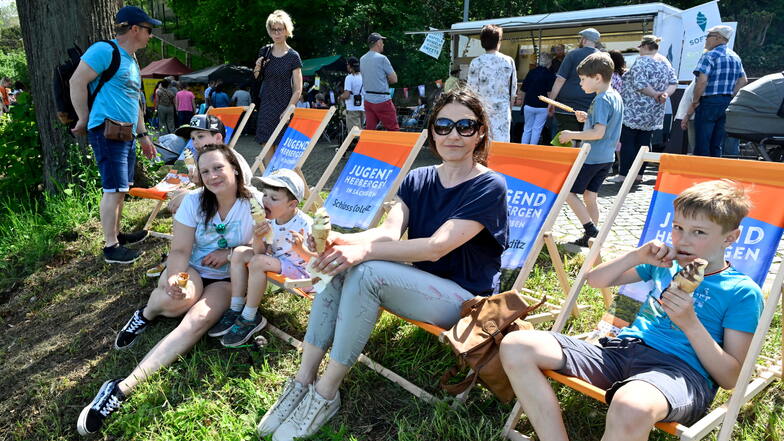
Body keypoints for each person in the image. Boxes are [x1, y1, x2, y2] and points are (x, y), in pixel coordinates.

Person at [255, 88, 508, 441]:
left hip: (465, 301)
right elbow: (388, 233)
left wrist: (362, 253)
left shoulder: (489, 185)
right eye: (444, 125)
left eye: (465, 126)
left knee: (367, 269)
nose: (453, 134)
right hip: (419, 285)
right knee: (344, 264)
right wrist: (341, 243)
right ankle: (302, 382)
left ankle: (326, 393)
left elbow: (437, 247)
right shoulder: (419, 178)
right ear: (432, 130)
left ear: (480, 131)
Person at [500, 179, 763, 441]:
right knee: (516, 344)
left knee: (630, 406)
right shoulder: (664, 264)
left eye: (699, 232)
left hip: (679, 373)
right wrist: (636, 256)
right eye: (678, 227)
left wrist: (690, 324)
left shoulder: (741, 291)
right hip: (620, 353)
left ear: (731, 237)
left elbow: (730, 377)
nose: (683, 240)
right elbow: (595, 281)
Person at [76, 143, 259, 436]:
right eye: (205, 171)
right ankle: (146, 314)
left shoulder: (256, 204)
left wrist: (234, 252)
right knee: (177, 300)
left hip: (229, 279)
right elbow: (181, 250)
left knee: (197, 320)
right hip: (195, 268)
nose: (212, 176)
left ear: (235, 169)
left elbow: (271, 245)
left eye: (218, 168)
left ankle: (120, 389)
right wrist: (175, 276)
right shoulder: (193, 202)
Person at [68, 6, 158, 264]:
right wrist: (83, 118)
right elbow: (77, 82)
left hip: (126, 133)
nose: (150, 35)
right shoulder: (104, 50)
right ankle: (110, 247)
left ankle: (117, 235)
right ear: (135, 29)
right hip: (107, 130)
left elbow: (134, 102)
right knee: (112, 188)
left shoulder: (131, 59)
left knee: (121, 188)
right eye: (149, 30)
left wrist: (143, 135)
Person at [210, 168, 313, 347]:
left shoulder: (304, 225)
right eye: (265, 195)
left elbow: (316, 260)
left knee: (257, 262)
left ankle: (250, 317)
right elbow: (259, 252)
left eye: (274, 198)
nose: (265, 201)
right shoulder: (268, 219)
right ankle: (236, 308)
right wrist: (257, 237)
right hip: (276, 261)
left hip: (303, 273)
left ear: (292, 204)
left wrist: (301, 248)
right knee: (240, 252)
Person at [557, 53, 623, 247]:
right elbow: (604, 124)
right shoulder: (614, 96)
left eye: (583, 79)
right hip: (607, 157)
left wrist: (571, 134)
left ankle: (591, 229)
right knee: (590, 196)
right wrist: (588, 117)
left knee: (568, 192)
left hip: (592, 157)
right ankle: (590, 238)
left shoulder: (601, 99)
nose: (580, 83)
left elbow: (598, 133)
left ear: (597, 78)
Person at [611, 35, 677, 184]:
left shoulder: (641, 62)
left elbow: (640, 84)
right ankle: (639, 174)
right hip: (654, 110)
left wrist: (654, 94)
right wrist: (664, 94)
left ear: (645, 47)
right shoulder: (665, 62)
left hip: (634, 109)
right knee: (644, 143)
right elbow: (673, 82)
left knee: (628, 142)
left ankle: (624, 174)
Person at [254, 10, 303, 165]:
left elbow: (298, 88)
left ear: (286, 30)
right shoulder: (265, 51)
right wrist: (257, 66)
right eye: (273, 29)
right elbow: (257, 77)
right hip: (267, 104)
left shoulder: (293, 56)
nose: (277, 33)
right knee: (266, 143)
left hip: (284, 105)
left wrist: (289, 109)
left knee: (282, 146)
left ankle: (281, 181)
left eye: (280, 29)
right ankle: (272, 179)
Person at [689, 25, 747, 157]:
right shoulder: (735, 56)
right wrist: (729, 95)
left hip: (708, 102)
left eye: (708, 36)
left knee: (702, 142)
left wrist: (695, 101)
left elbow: (702, 81)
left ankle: (701, 174)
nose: (706, 40)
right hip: (726, 102)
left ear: (719, 38)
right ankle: (715, 174)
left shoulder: (709, 56)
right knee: (717, 143)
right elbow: (743, 80)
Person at [467, 24, 517, 142]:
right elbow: (513, 89)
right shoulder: (508, 61)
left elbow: (471, 91)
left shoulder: (476, 62)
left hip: (481, 110)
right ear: (498, 41)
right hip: (502, 111)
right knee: (501, 143)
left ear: (482, 41)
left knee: (482, 143)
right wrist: (508, 109)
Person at [548, 28, 600, 134]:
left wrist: (551, 101)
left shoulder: (572, 54)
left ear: (584, 40)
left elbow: (560, 80)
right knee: (585, 139)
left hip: (567, 105)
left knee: (567, 139)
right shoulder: (602, 57)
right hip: (590, 105)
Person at [360, 32, 399, 131]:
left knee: (370, 130)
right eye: (382, 41)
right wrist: (384, 79)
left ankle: (368, 146)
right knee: (393, 130)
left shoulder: (362, 59)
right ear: (378, 43)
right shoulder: (382, 58)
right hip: (382, 99)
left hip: (368, 99)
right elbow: (394, 79)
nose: (383, 44)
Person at [521, 52, 556, 144]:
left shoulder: (531, 72)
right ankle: (532, 150)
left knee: (527, 129)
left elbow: (523, 89)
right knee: (537, 130)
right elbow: (549, 93)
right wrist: (551, 105)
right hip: (542, 107)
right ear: (549, 62)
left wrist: (522, 103)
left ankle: (522, 149)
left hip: (528, 105)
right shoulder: (550, 75)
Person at [340, 56, 365, 131]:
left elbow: (347, 95)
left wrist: (340, 97)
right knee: (361, 131)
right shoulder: (363, 76)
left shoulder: (349, 78)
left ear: (350, 66)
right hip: (363, 108)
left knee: (354, 135)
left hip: (352, 109)